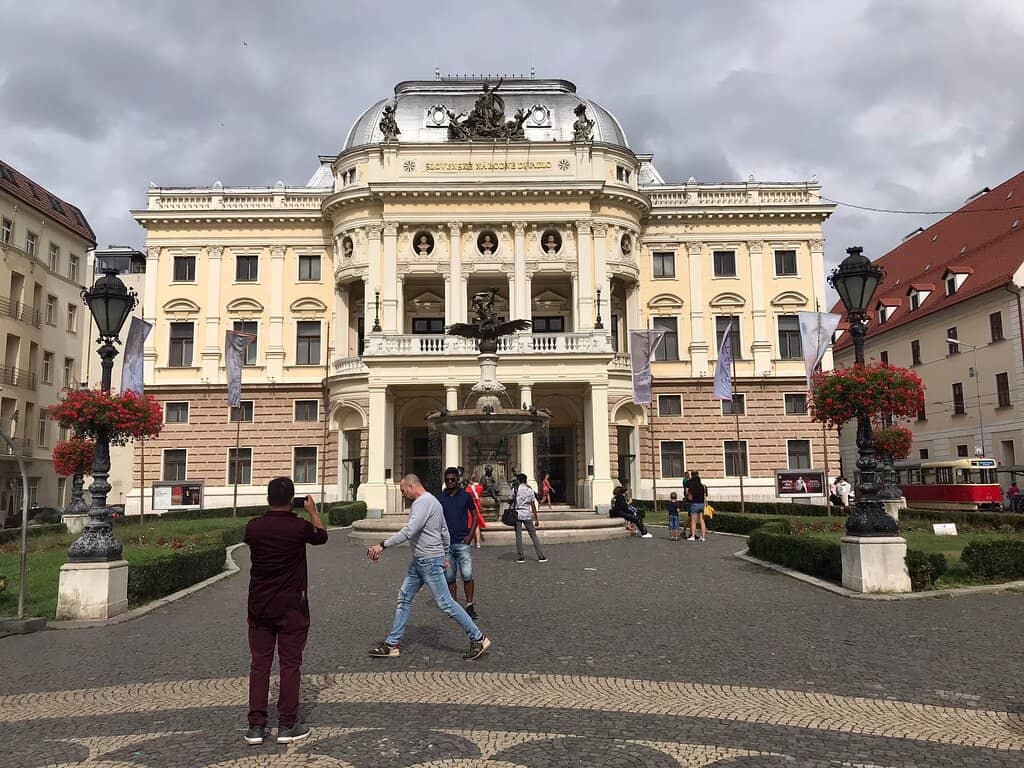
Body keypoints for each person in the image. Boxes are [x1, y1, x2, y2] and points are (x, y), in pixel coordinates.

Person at [366, 474, 490, 660]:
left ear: (411, 486)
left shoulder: (422, 503)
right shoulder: (434, 501)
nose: (403, 495)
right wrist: (445, 554)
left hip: (428, 561)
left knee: (446, 603)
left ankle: (478, 638)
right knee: (405, 598)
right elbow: (444, 531)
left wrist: (382, 545)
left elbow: (409, 531)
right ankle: (392, 644)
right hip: (421, 561)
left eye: (403, 491)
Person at [243, 477, 327, 746]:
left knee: (260, 665)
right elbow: (322, 536)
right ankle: (287, 725)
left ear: (268, 499)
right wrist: (312, 510)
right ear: (292, 500)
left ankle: (256, 726)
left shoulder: (253, 528)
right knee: (290, 665)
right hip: (292, 607)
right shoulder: (298, 528)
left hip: (260, 607)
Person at [438, 467, 480, 619]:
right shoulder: (440, 497)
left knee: (467, 575)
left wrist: (470, 535)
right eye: (447, 479)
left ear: (458, 480)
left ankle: (469, 605)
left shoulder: (466, 496)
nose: (450, 482)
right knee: (449, 577)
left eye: (452, 479)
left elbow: (475, 515)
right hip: (446, 544)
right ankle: (453, 605)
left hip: (463, 541)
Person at [512, 472, 547, 562]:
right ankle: (540, 556)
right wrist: (536, 518)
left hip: (517, 514)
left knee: (518, 536)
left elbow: (510, 499)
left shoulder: (515, 489)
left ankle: (521, 557)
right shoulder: (530, 490)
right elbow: (533, 505)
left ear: (518, 480)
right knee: (533, 535)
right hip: (527, 514)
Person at [686, 470, 707, 542]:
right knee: (702, 520)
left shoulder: (691, 485)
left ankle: (692, 536)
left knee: (693, 521)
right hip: (701, 504)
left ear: (692, 475)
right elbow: (704, 496)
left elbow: (689, 497)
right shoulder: (702, 486)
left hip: (694, 504)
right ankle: (703, 537)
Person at [467, 475, 486, 547]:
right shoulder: (480, 487)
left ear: (471, 480)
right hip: (476, 506)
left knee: (469, 524)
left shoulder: (469, 488)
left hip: (469, 507)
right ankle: (478, 542)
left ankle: (469, 541)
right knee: (476, 525)